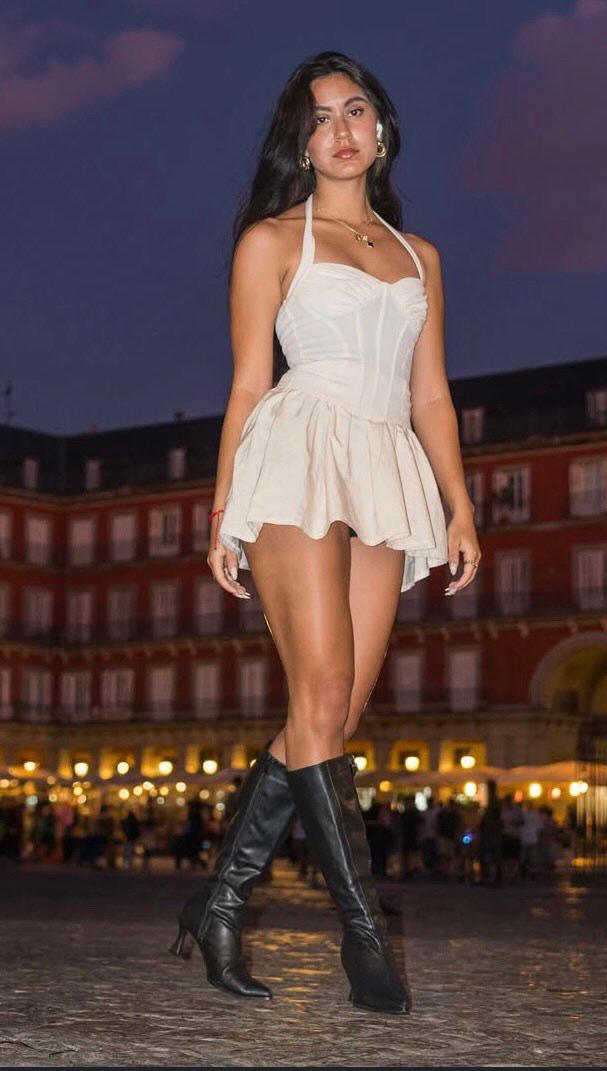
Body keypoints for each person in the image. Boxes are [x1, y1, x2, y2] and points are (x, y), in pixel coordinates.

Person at [170, 51, 480, 1016]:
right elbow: (247, 384)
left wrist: (459, 503)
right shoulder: (270, 240)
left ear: (381, 130)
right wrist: (222, 510)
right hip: (299, 452)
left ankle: (219, 904)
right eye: (320, 117)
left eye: (355, 110)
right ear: (300, 143)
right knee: (321, 689)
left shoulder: (421, 256)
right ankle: (363, 932)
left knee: (334, 712)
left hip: (385, 462)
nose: (340, 129)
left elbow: (431, 394)